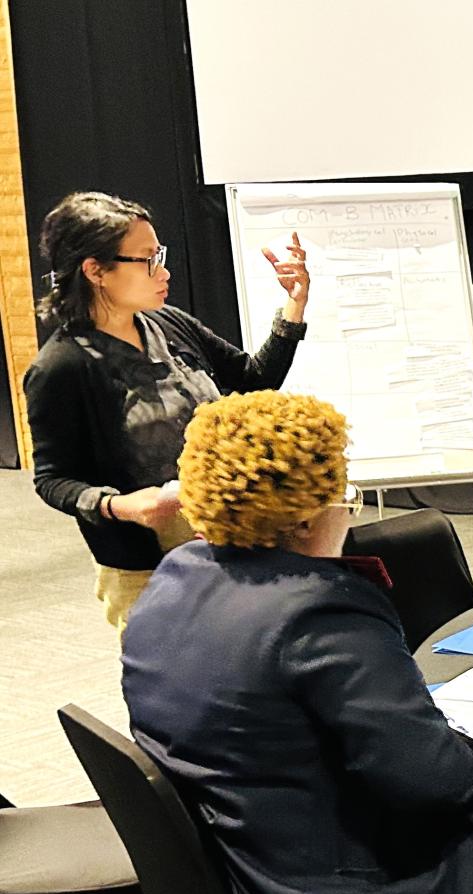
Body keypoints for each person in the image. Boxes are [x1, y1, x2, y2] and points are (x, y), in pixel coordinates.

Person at [121, 391, 473, 894]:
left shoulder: (178, 576)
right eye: (345, 498)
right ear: (305, 516)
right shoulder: (319, 613)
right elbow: (439, 786)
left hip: (251, 874)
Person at [23, 191, 311, 632]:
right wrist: (119, 506)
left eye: (160, 254)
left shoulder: (169, 324)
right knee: (177, 691)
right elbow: (51, 479)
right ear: (96, 270)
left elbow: (253, 380)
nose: (165, 271)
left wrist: (293, 305)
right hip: (147, 569)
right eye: (148, 259)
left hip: (230, 540)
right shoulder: (62, 367)